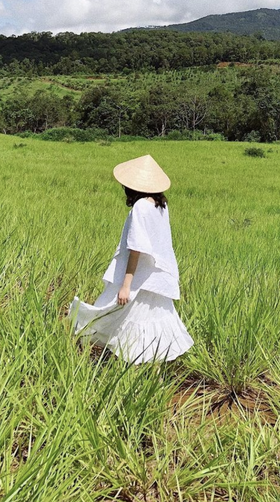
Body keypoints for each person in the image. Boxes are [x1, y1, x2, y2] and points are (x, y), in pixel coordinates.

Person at [69, 154, 193, 364]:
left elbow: (137, 248)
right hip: (156, 278)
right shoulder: (160, 205)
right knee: (147, 325)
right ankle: (150, 377)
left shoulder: (141, 207)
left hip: (139, 277)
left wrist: (126, 285)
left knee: (110, 316)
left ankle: (112, 367)